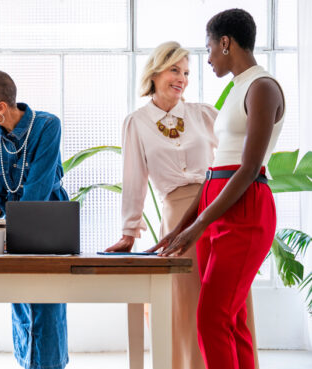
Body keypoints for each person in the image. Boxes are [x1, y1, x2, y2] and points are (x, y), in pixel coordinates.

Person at [103, 41, 259, 369]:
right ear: (155, 72)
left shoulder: (203, 114)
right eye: (175, 70)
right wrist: (129, 232)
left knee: (230, 304)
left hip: (219, 210)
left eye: (187, 72)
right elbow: (134, 179)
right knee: (189, 306)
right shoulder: (137, 122)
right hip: (178, 218)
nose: (182, 78)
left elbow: (242, 154)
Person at [152, 9, 285, 369]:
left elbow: (247, 168)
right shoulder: (238, 88)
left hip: (244, 210)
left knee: (211, 318)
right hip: (219, 208)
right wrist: (182, 227)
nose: (208, 57)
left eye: (209, 47)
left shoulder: (263, 87)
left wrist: (197, 225)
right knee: (232, 319)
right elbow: (215, 169)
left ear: (225, 42)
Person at [0, 70, 69, 369]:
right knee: (21, 302)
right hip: (13, 230)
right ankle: (27, 364)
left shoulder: (47, 125)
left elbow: (38, 190)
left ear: (0, 107)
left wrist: (4, 220)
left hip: (50, 224)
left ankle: (50, 365)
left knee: (48, 305)